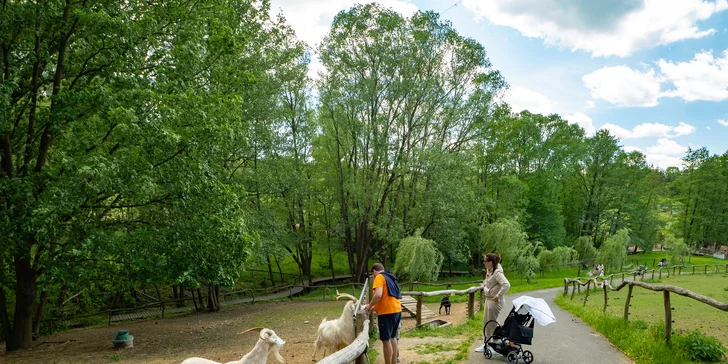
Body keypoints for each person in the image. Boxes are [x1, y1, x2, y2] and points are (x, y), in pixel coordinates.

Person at [364, 263, 402, 364]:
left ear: (374, 271)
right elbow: (387, 298)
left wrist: (368, 306)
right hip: (397, 310)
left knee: (386, 340)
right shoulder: (390, 277)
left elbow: (378, 295)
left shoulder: (379, 277)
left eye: (373, 274)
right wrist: (373, 307)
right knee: (392, 337)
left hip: (387, 313)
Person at [475, 253, 511, 353]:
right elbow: (488, 283)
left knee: (492, 324)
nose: (484, 263)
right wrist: (485, 286)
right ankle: (486, 344)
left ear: (491, 262)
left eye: (485, 261)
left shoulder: (497, 273)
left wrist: (498, 296)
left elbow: (506, 285)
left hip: (495, 302)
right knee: (486, 322)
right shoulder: (489, 270)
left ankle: (494, 345)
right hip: (488, 299)